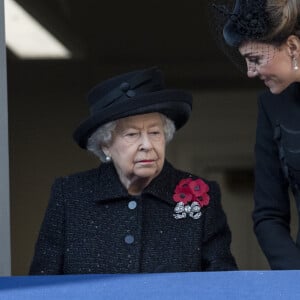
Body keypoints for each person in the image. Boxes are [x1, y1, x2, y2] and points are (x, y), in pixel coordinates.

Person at [29, 66, 237, 275]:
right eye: (132, 134)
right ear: (105, 144)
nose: (147, 144)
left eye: (155, 132)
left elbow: (223, 281)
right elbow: (41, 283)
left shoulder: (200, 195)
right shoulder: (70, 195)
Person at [212, 0, 300, 269]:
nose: (250, 72)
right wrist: (294, 280)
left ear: (293, 48)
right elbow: (268, 214)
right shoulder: (273, 107)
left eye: (256, 60)